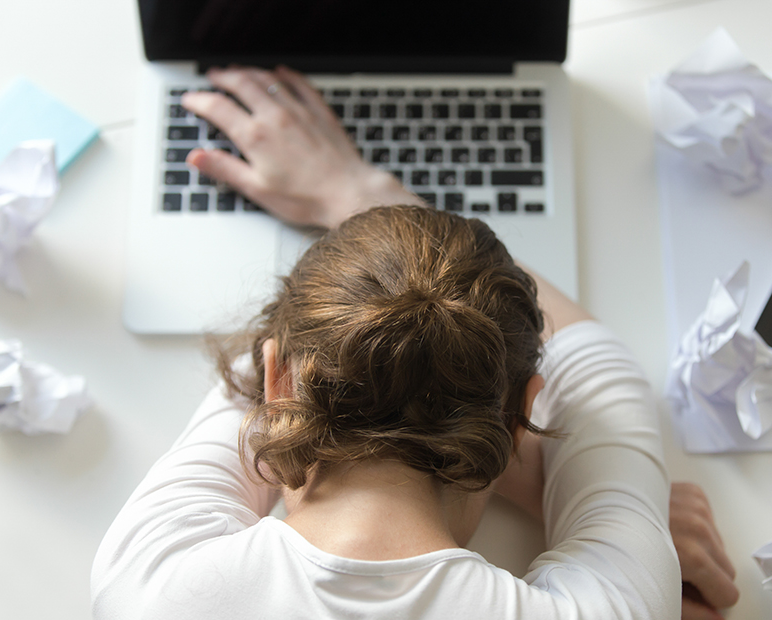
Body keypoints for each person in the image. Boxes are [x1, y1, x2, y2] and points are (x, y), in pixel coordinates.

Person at [91, 66, 738, 620]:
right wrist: (622, 512)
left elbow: (262, 373)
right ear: (522, 419)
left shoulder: (147, 584)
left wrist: (359, 218)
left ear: (279, 381)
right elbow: (598, 372)